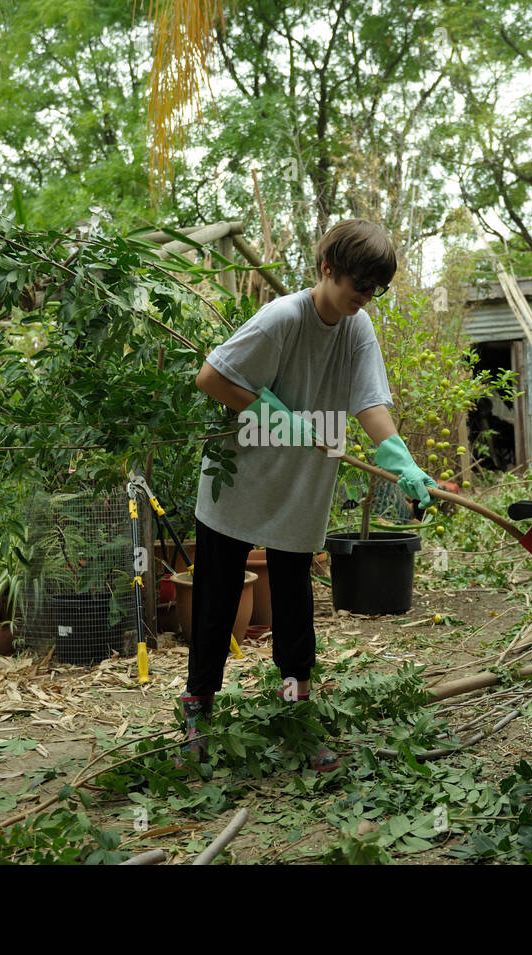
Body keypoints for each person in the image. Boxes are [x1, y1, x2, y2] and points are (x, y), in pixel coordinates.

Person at [179, 218, 436, 771]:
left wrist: (400, 458)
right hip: (238, 488)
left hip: (299, 492)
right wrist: (278, 415)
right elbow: (211, 377)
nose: (363, 300)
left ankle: (296, 716)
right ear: (326, 269)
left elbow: (369, 400)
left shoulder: (356, 327)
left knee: (295, 612)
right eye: (356, 287)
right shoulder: (283, 318)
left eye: (372, 292)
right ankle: (197, 714)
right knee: (215, 606)